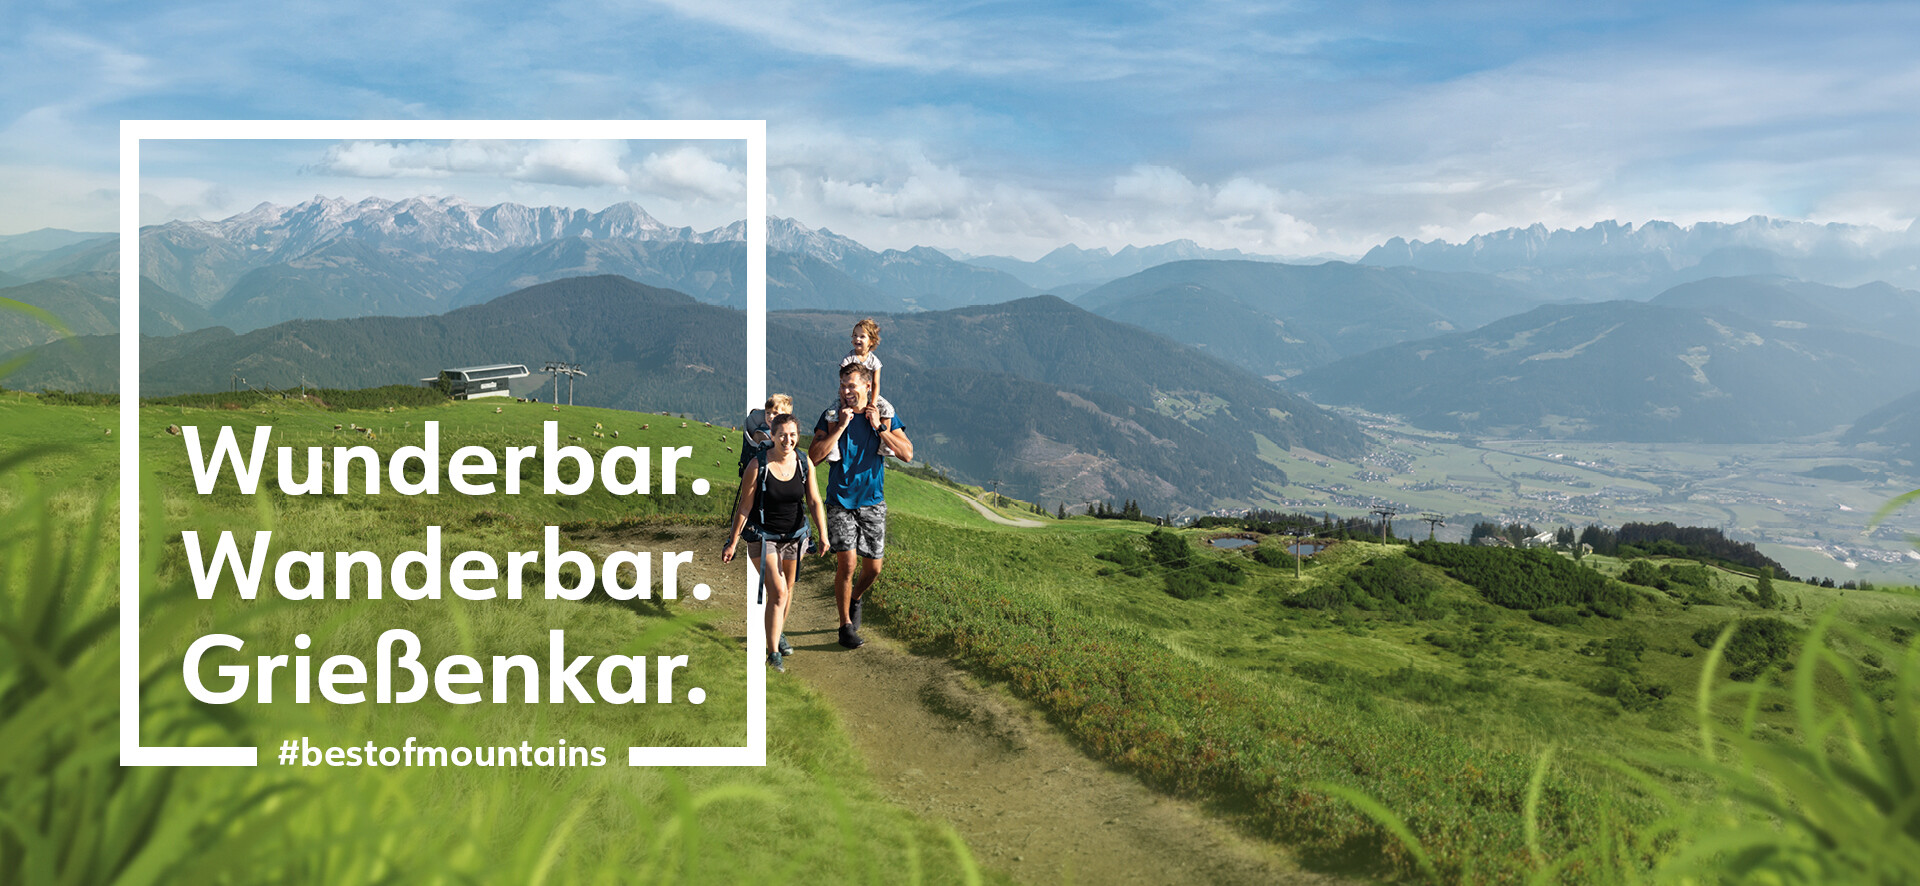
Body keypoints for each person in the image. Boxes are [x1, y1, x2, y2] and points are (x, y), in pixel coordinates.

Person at [809, 363, 912, 649]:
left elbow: (907, 453)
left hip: (872, 502)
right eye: (842, 385)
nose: (845, 391)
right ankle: (844, 625)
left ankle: (855, 598)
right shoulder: (832, 416)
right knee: (848, 563)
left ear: (868, 386)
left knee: (874, 569)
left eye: (851, 385)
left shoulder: (882, 415)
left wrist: (879, 427)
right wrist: (841, 426)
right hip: (840, 500)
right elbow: (814, 457)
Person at [722, 413, 829, 673]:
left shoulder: (804, 463)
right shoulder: (757, 466)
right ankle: (772, 653)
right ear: (772, 435)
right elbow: (745, 507)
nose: (788, 440)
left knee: (787, 589)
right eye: (782, 435)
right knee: (779, 592)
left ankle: (776, 632)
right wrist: (733, 541)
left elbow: (814, 501)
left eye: (793, 435)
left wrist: (823, 535)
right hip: (763, 537)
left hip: (796, 536)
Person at [829, 318, 896, 461]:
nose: (857, 339)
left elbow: (876, 384)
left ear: (871, 341)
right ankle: (833, 447)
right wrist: (844, 403)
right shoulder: (848, 359)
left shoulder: (874, 361)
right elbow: (842, 383)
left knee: (888, 410)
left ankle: (885, 443)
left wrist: (872, 403)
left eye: (862, 336)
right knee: (832, 413)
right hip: (847, 394)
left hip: (870, 394)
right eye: (854, 335)